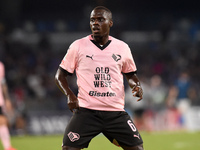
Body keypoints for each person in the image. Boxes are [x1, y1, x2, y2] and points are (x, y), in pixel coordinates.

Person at [55, 6, 144, 150]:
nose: (95, 23)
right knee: (68, 148)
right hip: (86, 111)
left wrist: (136, 85)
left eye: (100, 20)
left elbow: (131, 74)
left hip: (115, 112)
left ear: (110, 23)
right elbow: (60, 75)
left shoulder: (122, 48)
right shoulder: (78, 46)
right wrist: (70, 95)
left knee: (137, 149)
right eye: (92, 20)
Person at [0, 61, 17, 150]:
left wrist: (6, 99)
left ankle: (7, 147)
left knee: (2, 121)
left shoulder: (1, 66)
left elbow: (3, 83)